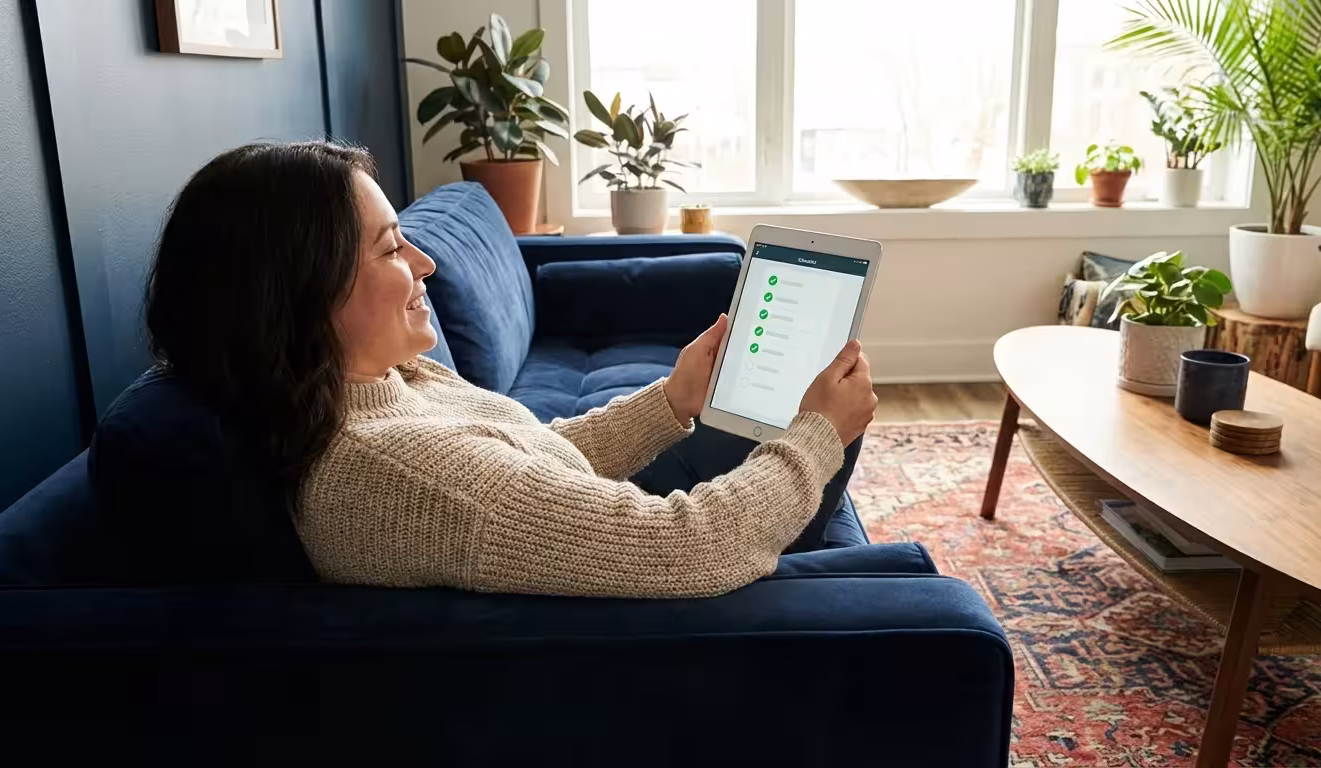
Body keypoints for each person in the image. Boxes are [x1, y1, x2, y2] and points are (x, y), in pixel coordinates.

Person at [144, 141, 877, 599]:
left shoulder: (375, 383)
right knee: (821, 424)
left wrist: (672, 399)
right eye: (393, 248)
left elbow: (524, 462)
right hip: (676, 596)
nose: (425, 263)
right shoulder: (394, 472)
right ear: (302, 292)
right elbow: (686, 548)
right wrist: (813, 440)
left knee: (795, 401)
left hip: (617, 532)